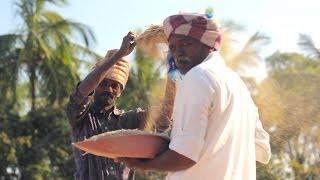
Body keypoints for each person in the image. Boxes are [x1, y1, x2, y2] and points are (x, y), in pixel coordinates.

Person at [118, 13, 271, 180]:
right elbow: (262, 151)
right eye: (173, 48)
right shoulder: (239, 86)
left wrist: (141, 164)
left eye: (186, 44)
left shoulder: (197, 76)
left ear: (207, 44)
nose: (178, 53)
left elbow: (184, 156)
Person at [66, 32, 170, 180]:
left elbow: (165, 115)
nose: (109, 89)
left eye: (115, 85)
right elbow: (81, 93)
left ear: (121, 91)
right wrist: (119, 55)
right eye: (104, 83)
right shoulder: (81, 118)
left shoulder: (132, 120)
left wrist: (173, 66)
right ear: (96, 85)